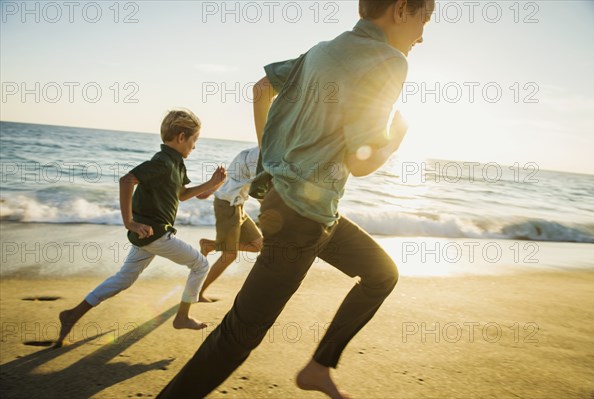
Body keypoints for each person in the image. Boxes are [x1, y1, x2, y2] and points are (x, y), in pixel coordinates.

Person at [158, 0, 434, 397]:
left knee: (382, 274)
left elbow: (261, 88)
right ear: (402, 9)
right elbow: (363, 163)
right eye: (424, 18)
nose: (423, 34)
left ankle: (319, 368)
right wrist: (397, 138)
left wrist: (269, 155)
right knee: (239, 335)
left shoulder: (322, 50)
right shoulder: (388, 60)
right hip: (300, 221)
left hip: (312, 212)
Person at [55, 109, 227, 347]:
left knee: (124, 279)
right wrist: (129, 222)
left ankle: (72, 314)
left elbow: (182, 195)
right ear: (180, 137)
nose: (194, 147)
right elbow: (127, 180)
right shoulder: (162, 163)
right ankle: (183, 316)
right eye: (194, 140)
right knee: (200, 264)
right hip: (155, 233)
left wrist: (211, 184)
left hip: (148, 236)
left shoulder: (176, 164)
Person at [198, 146, 263, 302]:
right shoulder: (260, 155)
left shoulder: (253, 152)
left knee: (258, 244)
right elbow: (261, 191)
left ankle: (211, 246)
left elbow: (230, 177)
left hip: (237, 204)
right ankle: (198, 293)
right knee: (230, 254)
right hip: (227, 205)